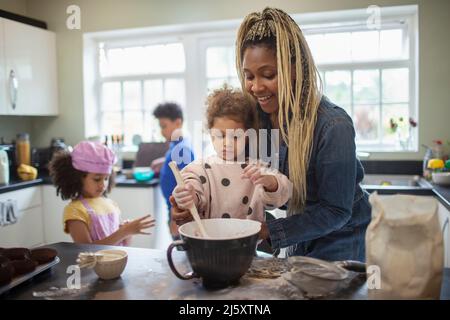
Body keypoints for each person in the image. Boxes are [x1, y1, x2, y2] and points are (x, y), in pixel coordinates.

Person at [173, 8, 371, 262]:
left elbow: (335, 210)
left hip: (343, 235)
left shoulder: (333, 126)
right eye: (249, 76)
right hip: (299, 230)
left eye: (268, 75)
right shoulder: (255, 118)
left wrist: (264, 231)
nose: (256, 87)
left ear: (295, 70)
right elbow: (227, 170)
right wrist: (192, 199)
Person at [172, 85, 292, 224]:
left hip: (247, 244)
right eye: (221, 135)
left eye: (236, 137)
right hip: (208, 243)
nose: (227, 143)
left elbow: (284, 193)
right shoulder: (199, 169)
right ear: (211, 135)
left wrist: (269, 182)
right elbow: (190, 185)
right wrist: (189, 196)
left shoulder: (257, 169)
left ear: (247, 137)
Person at [49, 141, 155, 245]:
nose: (103, 185)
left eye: (106, 178)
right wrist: (124, 231)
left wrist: (128, 233)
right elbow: (85, 250)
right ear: (77, 178)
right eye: (97, 179)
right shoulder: (75, 210)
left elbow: (123, 247)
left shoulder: (111, 204)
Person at [151, 102, 195, 238]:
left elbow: (184, 186)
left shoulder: (181, 150)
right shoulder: (177, 145)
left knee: (180, 252)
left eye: (164, 126)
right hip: (173, 209)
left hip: (179, 212)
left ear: (177, 123)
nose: (162, 131)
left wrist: (176, 219)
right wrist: (164, 161)